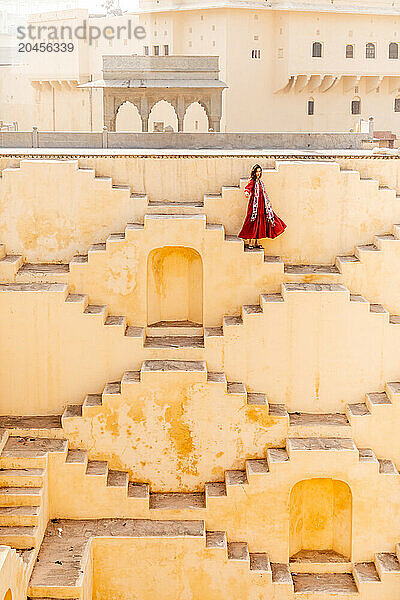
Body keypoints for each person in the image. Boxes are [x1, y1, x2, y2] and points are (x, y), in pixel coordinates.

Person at [238, 164, 286, 249]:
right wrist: (247, 192)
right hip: (254, 206)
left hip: (262, 204)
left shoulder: (260, 181)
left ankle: (257, 242)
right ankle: (250, 242)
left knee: (260, 222)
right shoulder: (252, 181)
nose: (258, 173)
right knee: (252, 221)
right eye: (257, 171)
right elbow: (248, 188)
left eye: (259, 171)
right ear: (254, 172)